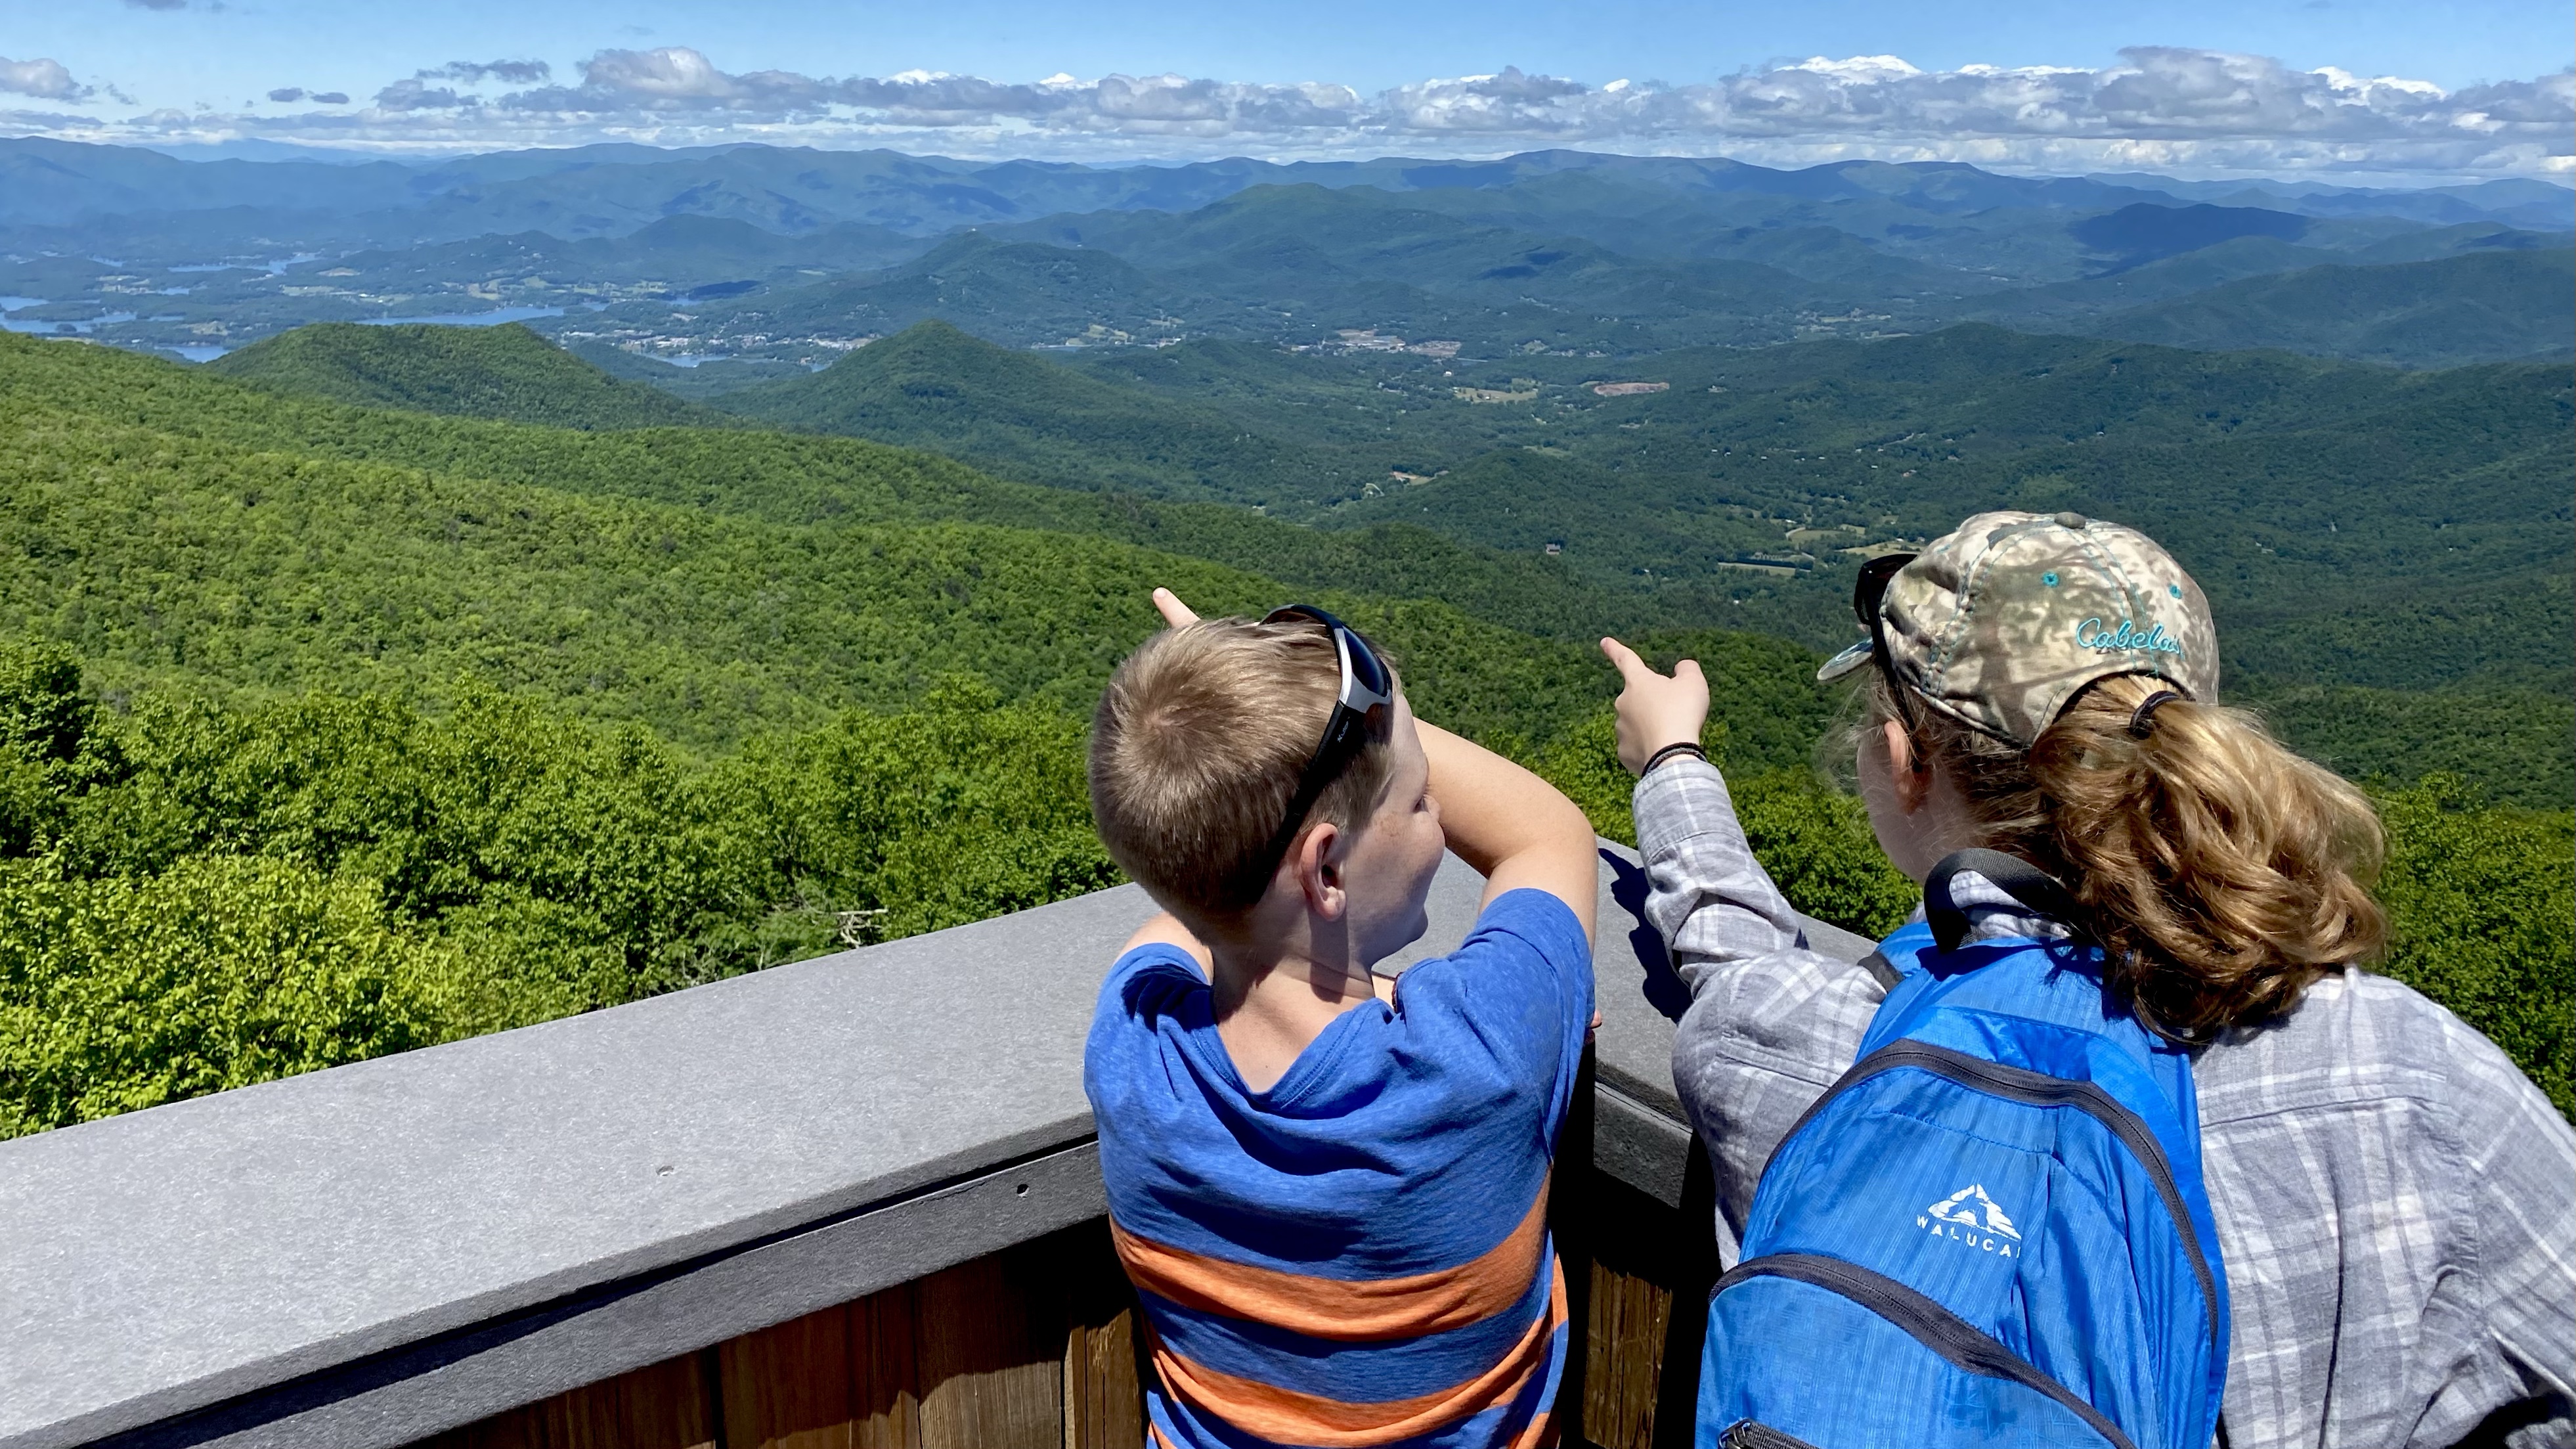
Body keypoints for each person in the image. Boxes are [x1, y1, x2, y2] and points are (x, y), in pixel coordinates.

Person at [1602, 511, 2575, 1448]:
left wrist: (1673, 760)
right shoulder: (2411, 1082)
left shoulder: (1817, 1050)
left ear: (1904, 764)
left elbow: (1730, 946)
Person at [1084, 588, 1600, 1449]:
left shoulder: (1133, 1053)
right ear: (1325, 870)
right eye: (1421, 799)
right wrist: (1303, 735)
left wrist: (1240, 748)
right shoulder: (1481, 1052)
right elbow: (1546, 834)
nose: (1439, 820)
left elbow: (1184, 903)